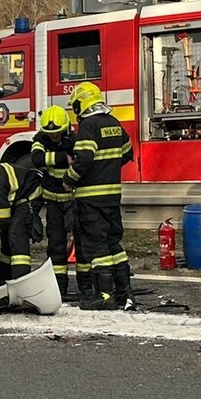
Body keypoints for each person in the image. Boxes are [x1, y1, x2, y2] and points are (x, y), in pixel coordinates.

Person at [65, 81, 135, 311]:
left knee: (96, 246)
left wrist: (69, 178)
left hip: (91, 199)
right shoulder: (113, 122)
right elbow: (128, 153)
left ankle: (104, 295)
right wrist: (108, 168)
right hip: (112, 197)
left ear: (81, 104)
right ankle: (125, 293)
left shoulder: (88, 125)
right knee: (113, 243)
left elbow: (84, 159)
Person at [31, 104, 79, 297]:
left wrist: (52, 158)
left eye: (57, 133)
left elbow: (80, 160)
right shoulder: (40, 138)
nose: (54, 136)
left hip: (73, 201)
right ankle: (60, 288)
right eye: (51, 134)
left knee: (82, 244)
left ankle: (86, 286)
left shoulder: (75, 139)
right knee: (55, 245)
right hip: (53, 202)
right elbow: (36, 159)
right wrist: (62, 158)